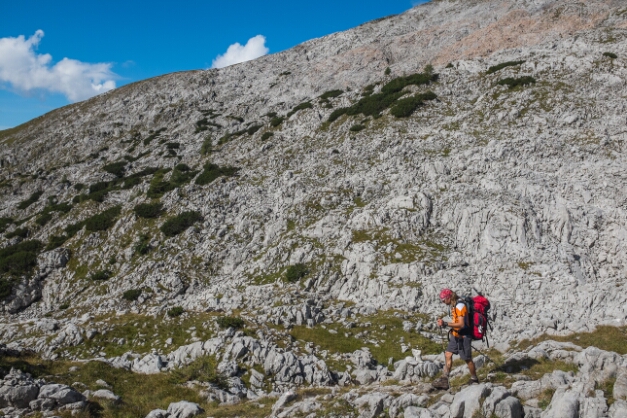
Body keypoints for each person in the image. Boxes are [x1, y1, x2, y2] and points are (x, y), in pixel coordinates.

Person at [431, 288, 479, 390]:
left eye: (444, 300)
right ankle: (445, 379)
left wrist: (445, 323)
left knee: (467, 359)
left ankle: (474, 378)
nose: (443, 302)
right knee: (448, 354)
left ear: (449, 297)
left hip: (464, 335)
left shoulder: (460, 306)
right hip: (455, 334)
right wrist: (447, 324)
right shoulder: (454, 305)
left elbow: (461, 324)